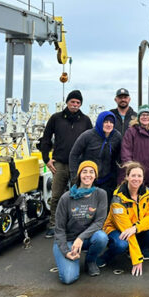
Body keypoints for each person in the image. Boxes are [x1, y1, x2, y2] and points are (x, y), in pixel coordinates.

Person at [40, 89, 92, 238]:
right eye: (72, 102)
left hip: (79, 165)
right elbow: (46, 138)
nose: (75, 105)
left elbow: (91, 141)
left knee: (80, 195)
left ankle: (79, 226)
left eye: (78, 102)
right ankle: (54, 225)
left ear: (81, 104)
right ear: (67, 102)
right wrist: (46, 158)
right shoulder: (56, 118)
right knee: (56, 195)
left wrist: (88, 163)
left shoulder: (86, 120)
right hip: (60, 163)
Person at [99, 162, 149, 276]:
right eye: (133, 175)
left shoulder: (148, 193)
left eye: (139, 176)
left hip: (135, 227)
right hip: (117, 229)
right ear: (127, 177)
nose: (136, 179)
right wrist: (137, 260)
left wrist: (136, 228)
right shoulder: (118, 198)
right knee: (121, 244)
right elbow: (126, 229)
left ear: (143, 178)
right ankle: (105, 257)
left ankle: (139, 249)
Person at [53, 161, 108, 284]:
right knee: (68, 278)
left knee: (102, 237)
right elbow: (59, 229)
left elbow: (99, 222)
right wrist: (66, 252)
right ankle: (71, 258)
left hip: (86, 238)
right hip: (67, 240)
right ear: (79, 175)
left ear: (95, 176)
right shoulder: (66, 198)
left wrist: (80, 238)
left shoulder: (101, 194)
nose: (88, 175)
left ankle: (90, 261)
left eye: (91, 172)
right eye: (84, 171)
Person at [69, 111, 122, 198]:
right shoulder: (87, 135)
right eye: (106, 122)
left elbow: (119, 157)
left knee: (105, 206)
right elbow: (74, 155)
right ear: (100, 122)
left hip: (107, 179)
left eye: (111, 122)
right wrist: (75, 176)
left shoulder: (117, 136)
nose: (109, 124)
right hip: (88, 178)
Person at [120, 105, 149, 188]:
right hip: (133, 177)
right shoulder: (131, 131)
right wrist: (132, 173)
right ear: (138, 117)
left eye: (148, 115)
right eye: (143, 115)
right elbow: (126, 154)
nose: (145, 117)